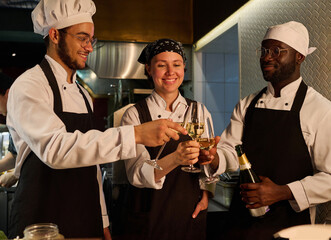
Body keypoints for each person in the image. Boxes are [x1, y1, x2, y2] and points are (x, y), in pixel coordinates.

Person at [6, 1, 187, 239]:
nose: (89, 47)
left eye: (91, 39)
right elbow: (55, 149)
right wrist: (136, 134)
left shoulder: (82, 93)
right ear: (54, 35)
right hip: (42, 220)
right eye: (82, 38)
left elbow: (92, 165)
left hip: (84, 215)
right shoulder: (30, 85)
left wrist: (102, 219)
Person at [203, 21, 331, 240]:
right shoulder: (247, 104)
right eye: (263, 50)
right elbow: (230, 151)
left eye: (276, 51)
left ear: (299, 56)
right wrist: (213, 158)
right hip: (240, 223)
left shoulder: (320, 109)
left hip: (291, 227)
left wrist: (282, 192)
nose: (266, 57)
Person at [119, 39, 218, 240]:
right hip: (149, 215)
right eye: (162, 65)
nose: (170, 72)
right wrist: (176, 158)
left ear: (184, 68)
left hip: (189, 213)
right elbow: (136, 174)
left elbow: (206, 168)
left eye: (177, 64)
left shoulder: (199, 110)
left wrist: (206, 194)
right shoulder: (134, 115)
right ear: (149, 69)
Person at [0, 72, 18, 188]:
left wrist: (16, 174)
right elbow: (15, 154)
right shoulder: (12, 117)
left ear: (8, 93)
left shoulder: (27, 113)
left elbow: (42, 153)